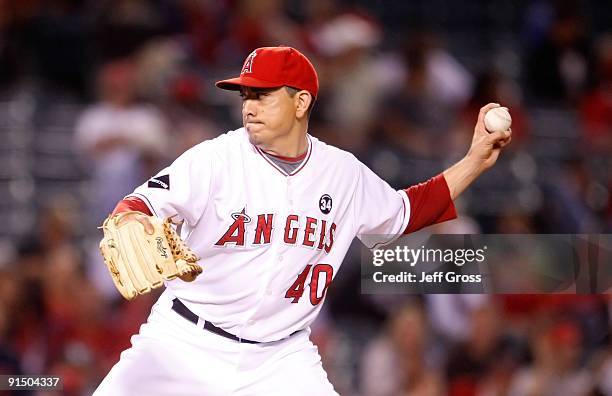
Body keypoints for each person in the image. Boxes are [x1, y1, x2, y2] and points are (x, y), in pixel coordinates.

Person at [93, 46, 512, 395]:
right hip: (183, 340)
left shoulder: (342, 173)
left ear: (301, 101)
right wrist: (132, 219)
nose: (249, 107)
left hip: (280, 359)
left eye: (262, 95)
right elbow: (138, 204)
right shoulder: (215, 159)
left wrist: (474, 161)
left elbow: (407, 211)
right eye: (245, 97)